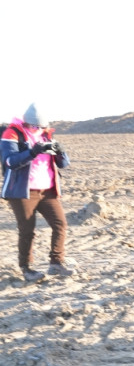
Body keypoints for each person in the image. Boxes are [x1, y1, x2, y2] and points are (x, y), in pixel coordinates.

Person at [1, 103, 76, 282]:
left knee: (60, 224)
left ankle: (56, 263)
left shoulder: (46, 135)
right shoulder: (12, 134)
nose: (38, 130)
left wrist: (61, 152)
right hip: (22, 191)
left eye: (42, 127)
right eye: (34, 126)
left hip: (47, 190)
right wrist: (33, 152)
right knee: (27, 230)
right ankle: (26, 268)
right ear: (26, 123)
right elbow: (10, 161)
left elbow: (63, 164)